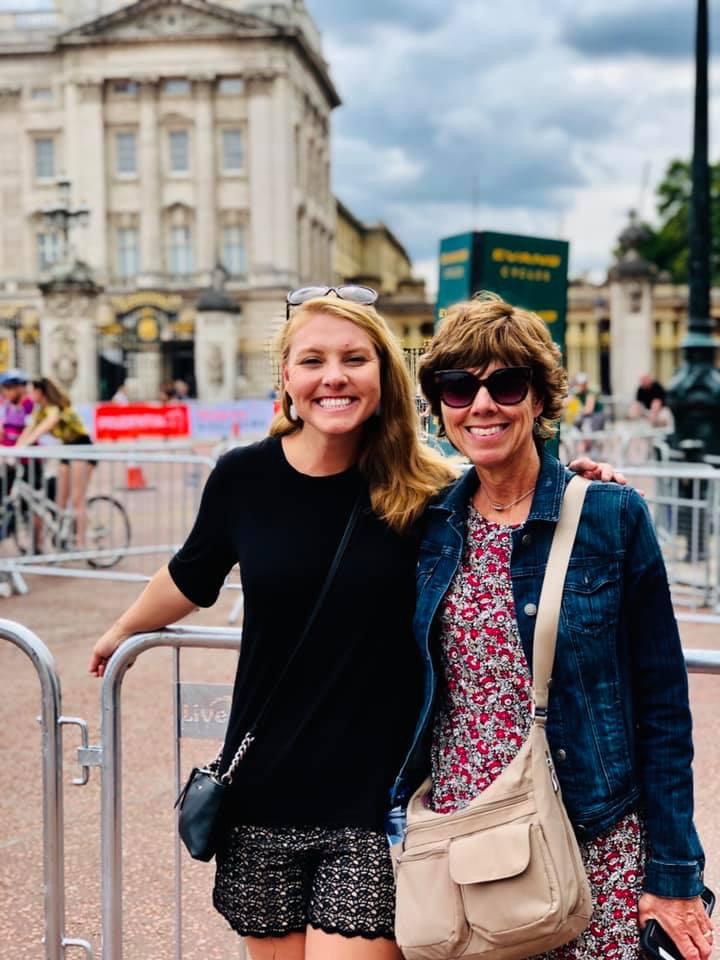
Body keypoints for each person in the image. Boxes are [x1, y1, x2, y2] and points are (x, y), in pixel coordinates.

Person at [88, 288, 624, 960]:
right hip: (262, 793)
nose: (333, 377)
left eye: (353, 359)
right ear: (288, 377)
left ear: (383, 374)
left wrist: (577, 487)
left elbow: (515, 501)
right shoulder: (241, 479)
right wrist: (121, 629)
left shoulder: (429, 489)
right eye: (312, 360)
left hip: (375, 803)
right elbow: (190, 574)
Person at [390, 293, 711, 960]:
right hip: (465, 845)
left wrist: (675, 876)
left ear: (539, 398)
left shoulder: (609, 517)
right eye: (459, 387)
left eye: (507, 384)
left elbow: (663, 709)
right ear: (440, 406)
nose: (482, 405)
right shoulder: (427, 525)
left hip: (593, 842)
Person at [15, 377, 95, 549]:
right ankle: (64, 539)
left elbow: (44, 426)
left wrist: (27, 443)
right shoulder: (40, 411)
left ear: (40, 392)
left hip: (82, 448)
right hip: (67, 449)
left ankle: (81, 544)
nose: (29, 395)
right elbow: (29, 429)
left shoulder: (55, 408)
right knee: (60, 500)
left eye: (32, 391)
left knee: (77, 499)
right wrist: (16, 448)